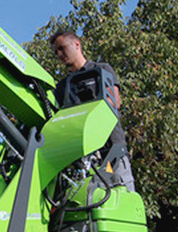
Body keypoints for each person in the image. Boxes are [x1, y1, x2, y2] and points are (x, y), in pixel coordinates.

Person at [49, 30, 136, 192]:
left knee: (122, 196)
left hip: (111, 152)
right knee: (88, 203)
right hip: (81, 158)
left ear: (77, 44)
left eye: (62, 48)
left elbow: (114, 102)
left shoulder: (101, 70)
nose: (59, 54)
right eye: (56, 52)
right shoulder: (62, 87)